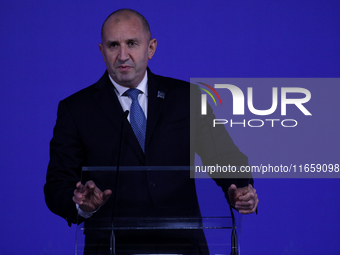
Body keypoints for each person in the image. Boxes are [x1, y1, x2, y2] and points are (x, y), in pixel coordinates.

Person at [44, 8, 258, 254]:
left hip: (183, 247)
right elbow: (57, 185)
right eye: (114, 45)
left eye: (132, 43)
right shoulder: (76, 109)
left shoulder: (186, 98)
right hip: (112, 248)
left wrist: (241, 188)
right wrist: (83, 205)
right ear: (102, 52)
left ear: (151, 47)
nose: (123, 55)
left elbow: (225, 156)